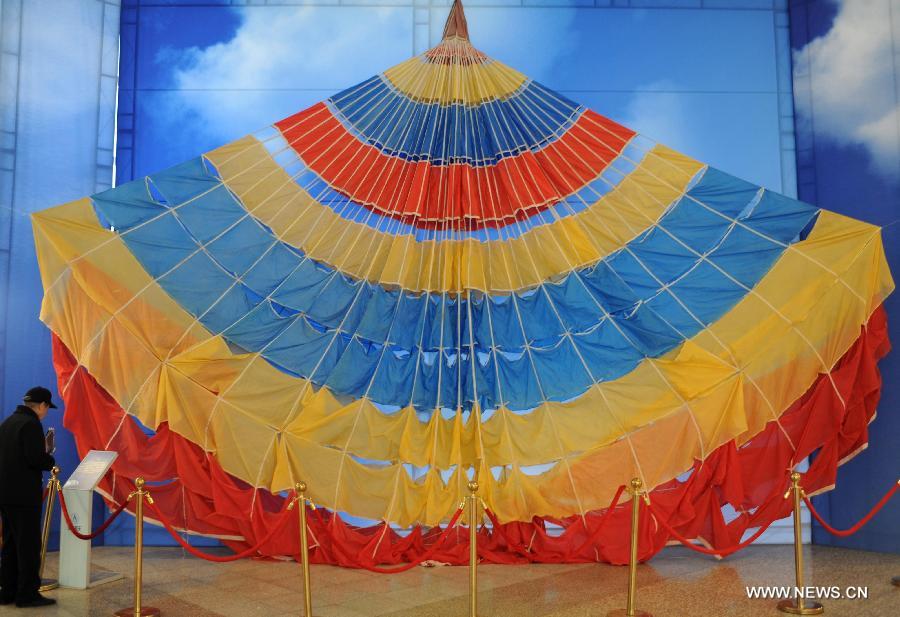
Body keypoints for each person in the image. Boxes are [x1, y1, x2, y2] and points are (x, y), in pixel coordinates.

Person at [0, 387, 58, 608]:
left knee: (10, 545)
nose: (45, 413)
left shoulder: (7, 423)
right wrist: (50, 460)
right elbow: (35, 459)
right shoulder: (31, 424)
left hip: (5, 494)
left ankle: (8, 592)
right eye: (46, 408)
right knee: (28, 546)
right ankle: (27, 595)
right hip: (24, 496)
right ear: (41, 405)